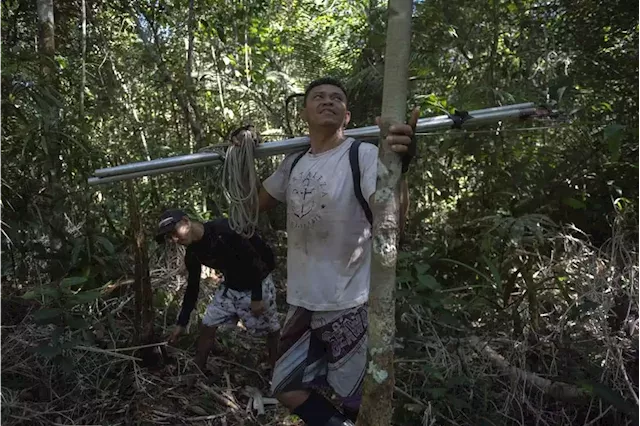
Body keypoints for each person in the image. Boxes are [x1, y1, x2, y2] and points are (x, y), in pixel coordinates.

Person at [232, 77, 416, 426]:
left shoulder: (361, 154)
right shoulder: (294, 162)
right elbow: (253, 207)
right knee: (286, 387)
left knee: (356, 398)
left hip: (348, 301)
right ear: (305, 112)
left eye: (336, 98)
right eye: (318, 97)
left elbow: (391, 221)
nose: (327, 101)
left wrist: (400, 169)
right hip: (302, 301)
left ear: (347, 116)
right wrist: (243, 157)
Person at [155, 209, 281, 370]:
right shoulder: (193, 253)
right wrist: (182, 322)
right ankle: (198, 371)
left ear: (186, 221)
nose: (174, 239)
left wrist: (257, 297)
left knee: (271, 328)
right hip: (230, 286)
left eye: (174, 232)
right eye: (169, 237)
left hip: (258, 282)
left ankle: (277, 370)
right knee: (208, 323)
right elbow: (193, 287)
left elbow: (254, 259)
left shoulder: (223, 230)